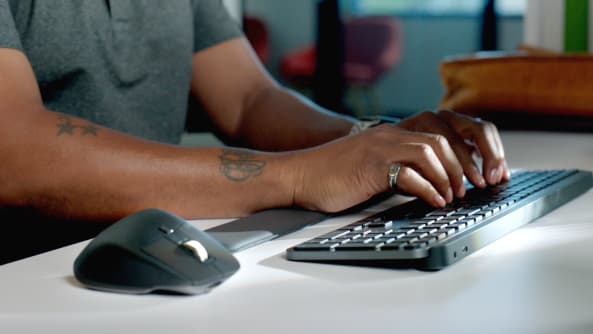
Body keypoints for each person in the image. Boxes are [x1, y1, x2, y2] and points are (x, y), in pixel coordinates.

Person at [0, 0, 509, 224]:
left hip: (157, 253)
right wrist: (297, 175)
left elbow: (248, 99)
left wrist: (371, 141)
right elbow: (14, 151)